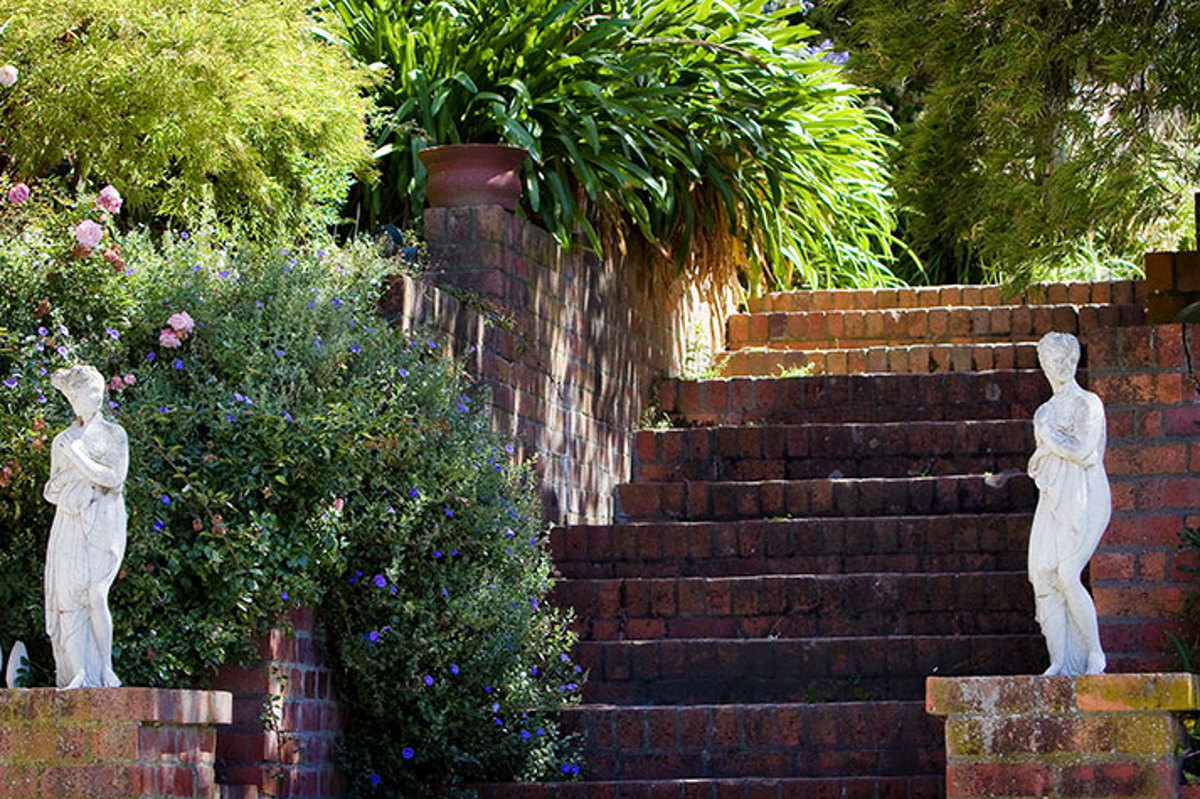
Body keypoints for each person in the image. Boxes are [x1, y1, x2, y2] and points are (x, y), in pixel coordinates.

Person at [1027, 332, 1109, 676]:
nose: (1055, 368)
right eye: (1048, 361)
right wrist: (1045, 439)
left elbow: (1080, 451)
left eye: (1061, 360)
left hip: (1086, 495)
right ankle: (1060, 660)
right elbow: (1040, 462)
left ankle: (1095, 654)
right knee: (1042, 575)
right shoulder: (1044, 411)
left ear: (1073, 362)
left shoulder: (1088, 404)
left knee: (1067, 572)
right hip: (1054, 497)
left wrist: (1048, 435)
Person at [44, 364, 128, 689]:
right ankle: (78, 671)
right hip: (69, 521)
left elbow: (114, 478)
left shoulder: (113, 434)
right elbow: (50, 490)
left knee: (96, 592)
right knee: (69, 599)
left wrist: (79, 460)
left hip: (104, 521)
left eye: (94, 392)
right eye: (81, 394)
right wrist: (71, 475)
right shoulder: (63, 440)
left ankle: (105, 668)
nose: (89, 399)